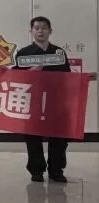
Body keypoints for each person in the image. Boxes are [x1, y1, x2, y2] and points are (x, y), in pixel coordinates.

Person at [15, 16, 72, 183]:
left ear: (50, 31)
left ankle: (56, 170)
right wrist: (30, 73)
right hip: (32, 101)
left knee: (59, 136)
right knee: (32, 137)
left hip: (56, 101)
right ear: (31, 31)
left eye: (44, 28)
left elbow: (67, 77)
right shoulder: (23, 53)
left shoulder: (59, 53)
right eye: (37, 28)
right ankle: (36, 170)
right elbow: (15, 79)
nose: (40, 31)